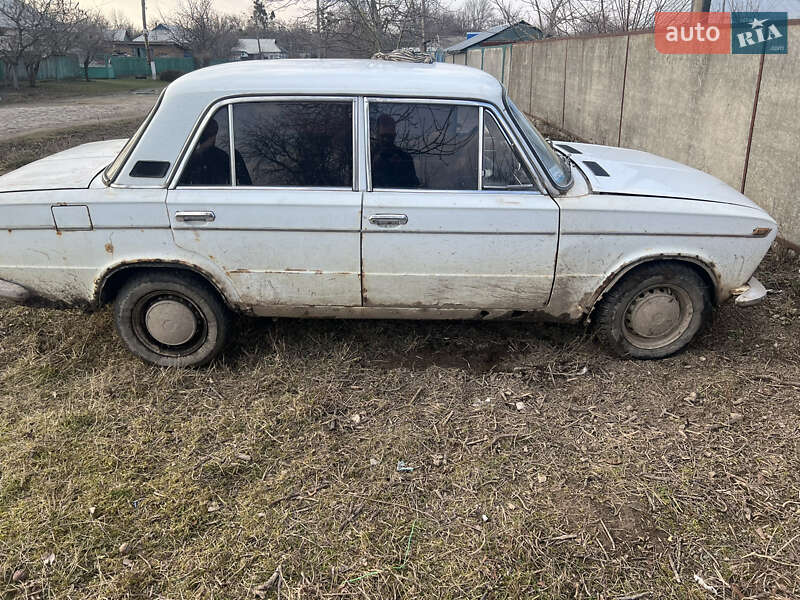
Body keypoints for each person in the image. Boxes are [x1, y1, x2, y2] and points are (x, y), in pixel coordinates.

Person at [180, 118, 252, 186]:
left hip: (221, 197)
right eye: (207, 132)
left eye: (212, 132)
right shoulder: (191, 159)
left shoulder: (226, 157)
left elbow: (245, 184)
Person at [371, 114, 419, 188]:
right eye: (383, 136)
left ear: (394, 135)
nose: (386, 140)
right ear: (377, 135)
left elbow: (414, 185)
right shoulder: (367, 157)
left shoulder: (405, 158)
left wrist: (401, 167)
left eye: (389, 136)